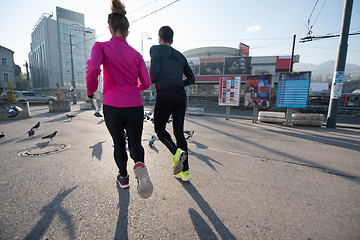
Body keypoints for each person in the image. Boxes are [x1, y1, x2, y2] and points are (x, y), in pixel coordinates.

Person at [86, 0, 153, 199]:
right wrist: (136, 89)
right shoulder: (136, 54)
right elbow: (147, 82)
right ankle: (139, 164)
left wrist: (91, 91)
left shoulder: (101, 47)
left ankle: (123, 178)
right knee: (135, 143)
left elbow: (92, 70)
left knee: (118, 143)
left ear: (110, 29)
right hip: (134, 104)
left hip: (112, 105)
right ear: (127, 32)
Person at [150, 26, 195, 182]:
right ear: (172, 40)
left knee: (159, 128)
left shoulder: (156, 49)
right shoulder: (181, 56)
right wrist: (179, 84)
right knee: (179, 133)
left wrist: (153, 79)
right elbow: (192, 79)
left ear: (159, 38)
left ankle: (176, 153)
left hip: (165, 94)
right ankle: (185, 172)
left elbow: (154, 71)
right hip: (180, 96)